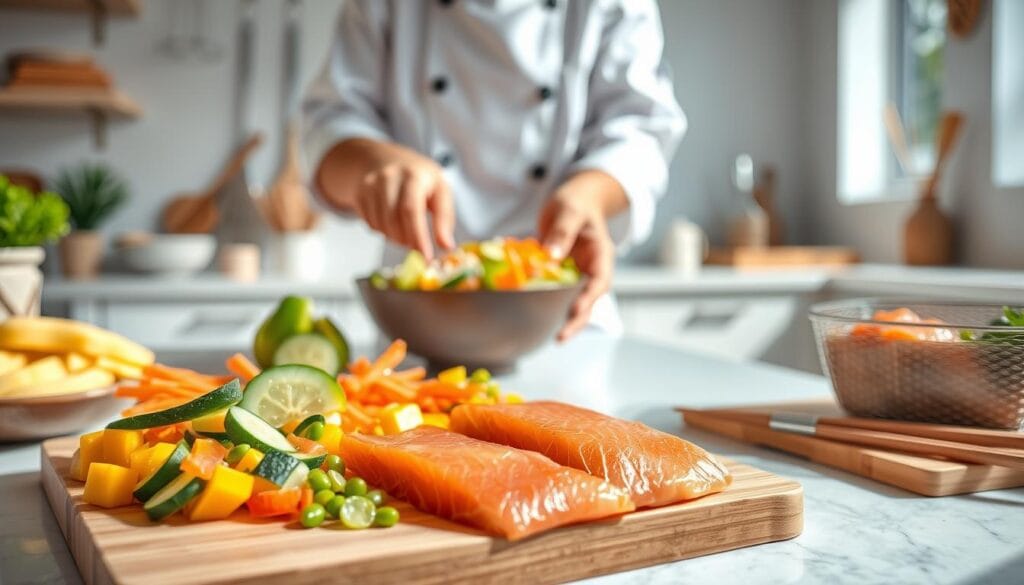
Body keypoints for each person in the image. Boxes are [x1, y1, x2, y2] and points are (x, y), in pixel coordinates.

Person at [303, 0, 684, 340]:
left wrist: (590, 195)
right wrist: (372, 162)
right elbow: (327, 124)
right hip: (420, 322)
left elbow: (642, 130)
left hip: (562, 321)